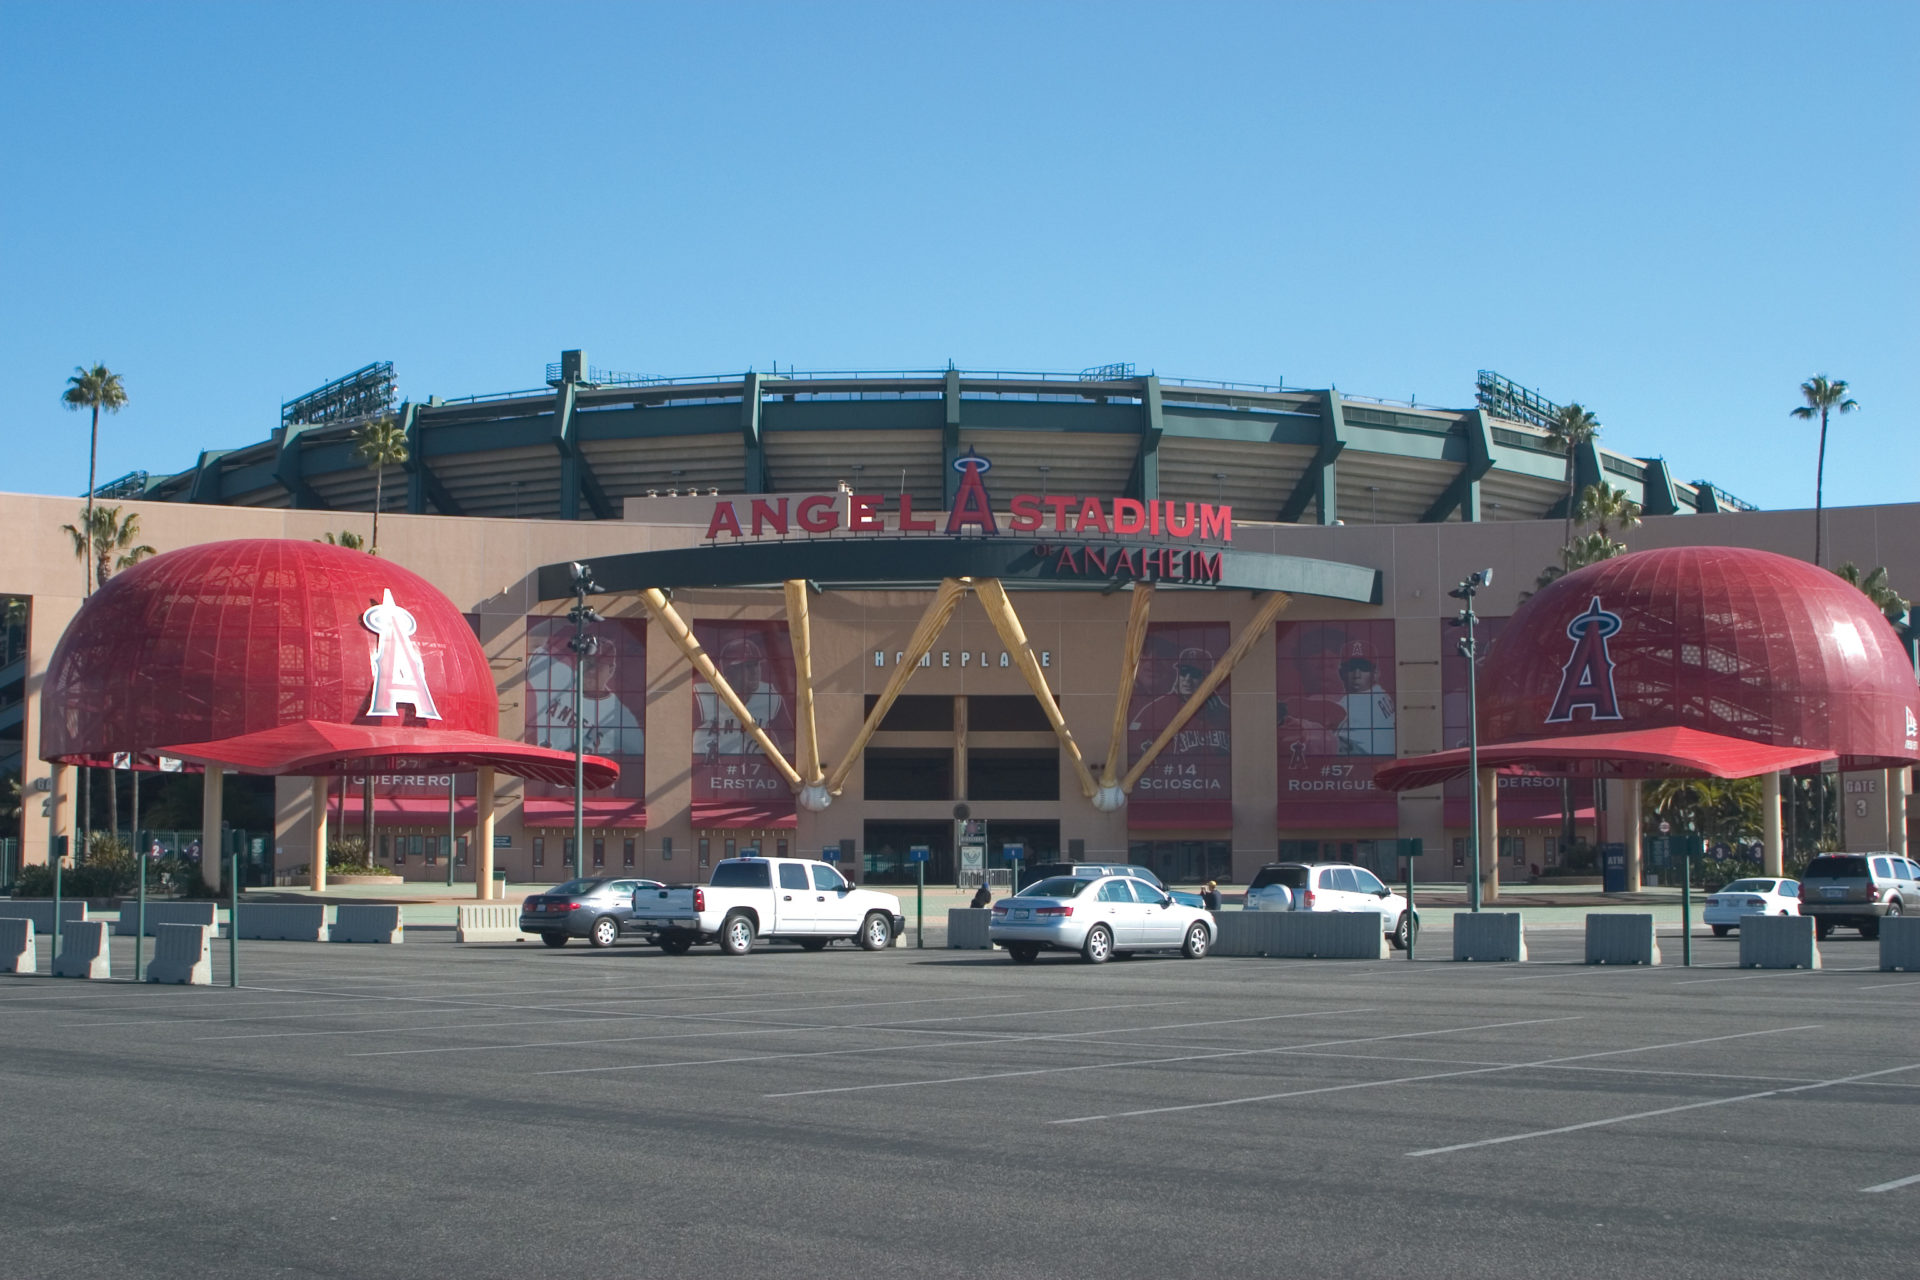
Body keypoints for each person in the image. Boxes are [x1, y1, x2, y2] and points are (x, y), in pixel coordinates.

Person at [533, 633, 644, 756]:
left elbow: (639, 755)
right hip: (542, 769)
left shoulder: (620, 716)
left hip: (580, 773)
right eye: (588, 664)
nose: (591, 671)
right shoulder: (560, 677)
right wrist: (560, 621)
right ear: (578, 664)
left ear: (611, 670)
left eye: (598, 667)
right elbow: (532, 642)